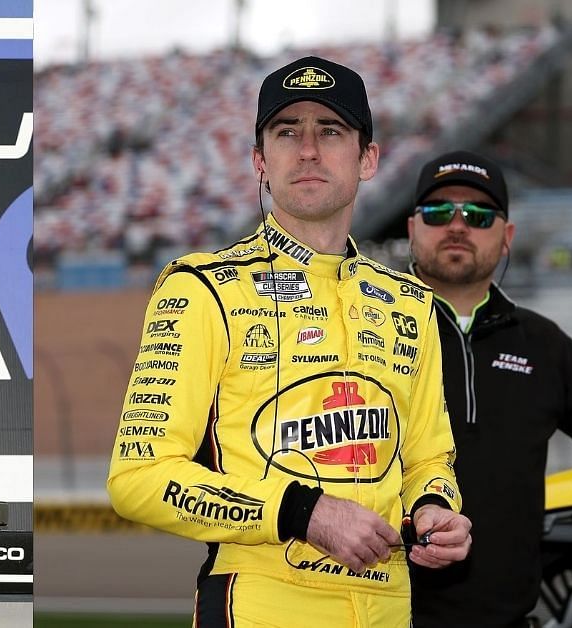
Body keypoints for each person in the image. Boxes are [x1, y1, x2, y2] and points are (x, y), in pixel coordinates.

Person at [106, 56, 472, 627]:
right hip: (262, 600)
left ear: (368, 158)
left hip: (390, 605)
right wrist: (304, 513)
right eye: (286, 132)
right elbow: (138, 478)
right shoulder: (201, 288)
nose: (307, 150)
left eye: (330, 131)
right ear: (260, 160)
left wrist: (436, 509)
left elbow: (429, 458)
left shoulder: (410, 303)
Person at [406, 150, 572, 627]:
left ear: (506, 238)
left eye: (479, 215)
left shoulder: (541, 343)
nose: (458, 225)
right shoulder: (365, 330)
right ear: (412, 228)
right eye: (439, 211)